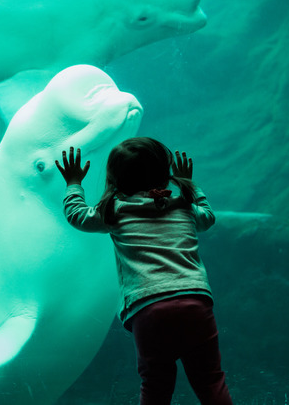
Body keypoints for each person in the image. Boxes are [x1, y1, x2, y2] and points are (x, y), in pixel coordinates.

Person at [55, 137, 233, 405]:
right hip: (194, 301)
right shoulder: (183, 206)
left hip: (149, 309)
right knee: (210, 381)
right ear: (165, 172)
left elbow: (77, 215)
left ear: (115, 179)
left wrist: (73, 183)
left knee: (155, 387)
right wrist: (190, 185)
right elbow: (207, 217)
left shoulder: (114, 211)